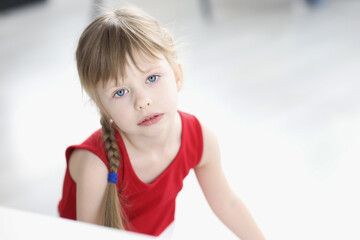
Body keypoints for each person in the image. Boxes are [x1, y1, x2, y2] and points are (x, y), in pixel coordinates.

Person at [58, 6, 265, 240]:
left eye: (152, 78)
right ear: (103, 109)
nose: (143, 101)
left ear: (177, 75)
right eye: (121, 92)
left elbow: (227, 203)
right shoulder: (95, 167)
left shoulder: (200, 139)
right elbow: (88, 237)